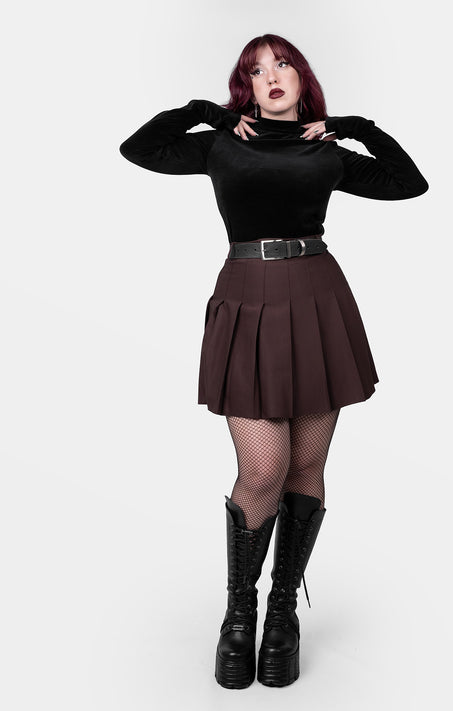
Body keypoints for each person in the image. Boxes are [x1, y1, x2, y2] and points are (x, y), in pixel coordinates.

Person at [119, 33, 429, 689]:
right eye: (257, 70)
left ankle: (283, 611)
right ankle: (240, 614)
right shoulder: (221, 143)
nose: (272, 75)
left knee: (307, 465)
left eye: (282, 63)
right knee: (263, 470)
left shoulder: (326, 150)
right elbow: (138, 148)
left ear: (301, 79)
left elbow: (410, 183)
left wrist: (352, 126)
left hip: (317, 296)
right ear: (247, 89)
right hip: (248, 297)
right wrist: (202, 110)